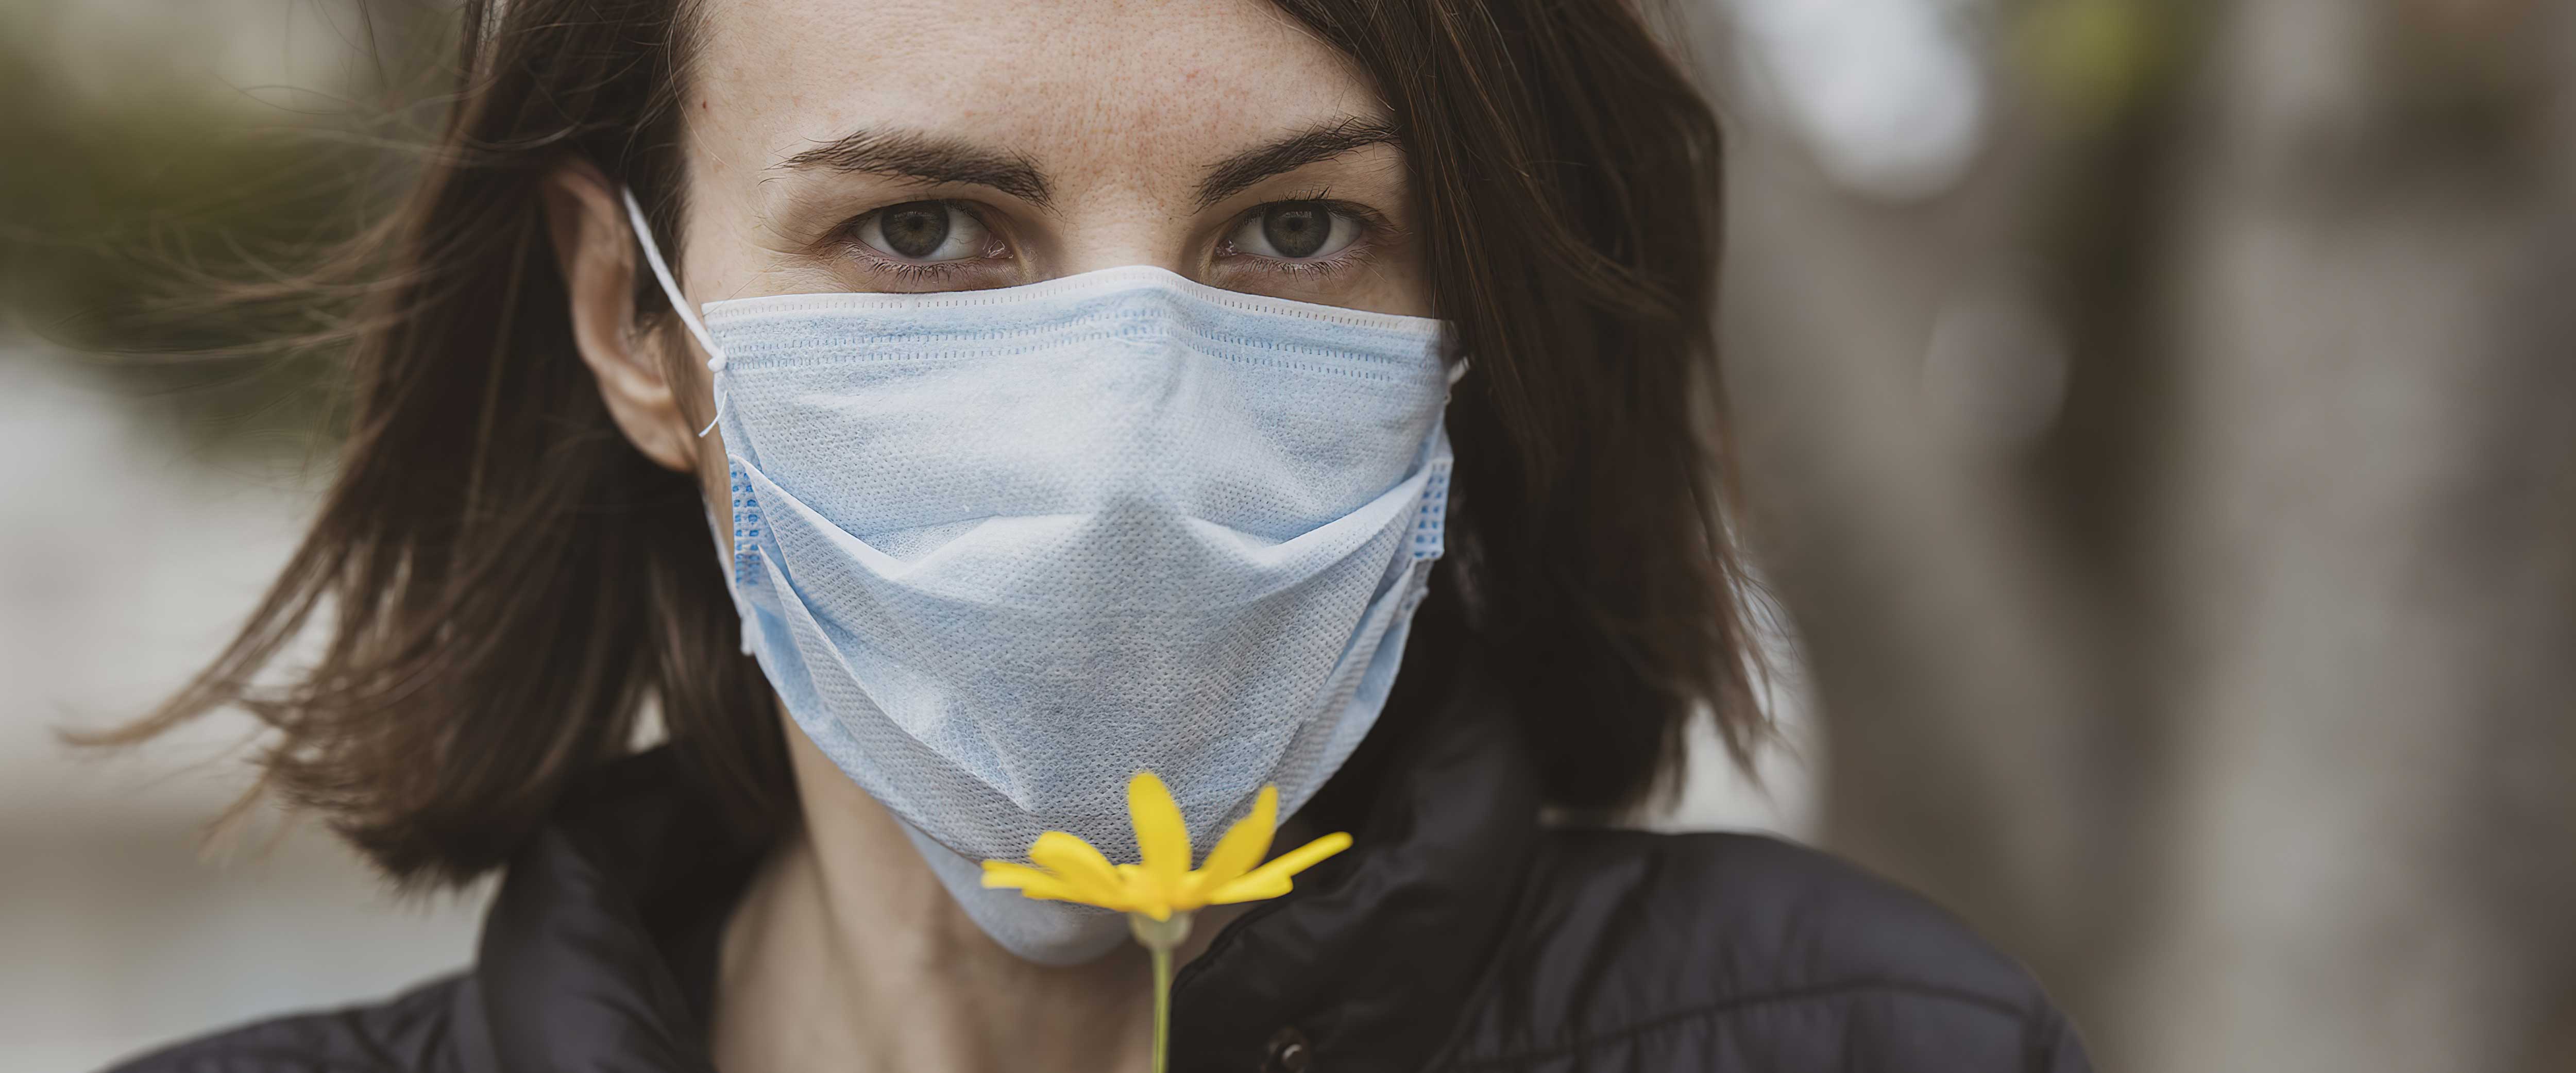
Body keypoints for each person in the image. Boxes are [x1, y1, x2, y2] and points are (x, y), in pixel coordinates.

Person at [98, 0, 2090, 1070]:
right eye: (923, 229)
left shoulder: (1868, 1053)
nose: (1125, 444)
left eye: (1295, 231)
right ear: (641, 324)